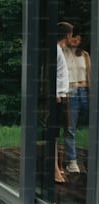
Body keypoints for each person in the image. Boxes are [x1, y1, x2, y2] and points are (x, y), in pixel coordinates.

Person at [62, 32, 90, 173]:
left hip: (84, 91)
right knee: (70, 128)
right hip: (71, 91)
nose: (75, 40)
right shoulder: (63, 53)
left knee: (88, 126)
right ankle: (71, 161)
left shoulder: (84, 55)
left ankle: (88, 160)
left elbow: (89, 73)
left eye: (79, 38)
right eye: (73, 37)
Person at [54, 21, 72, 183]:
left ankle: (58, 167)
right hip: (58, 97)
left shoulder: (59, 50)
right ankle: (54, 170)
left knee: (58, 133)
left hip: (62, 96)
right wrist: (57, 96)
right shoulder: (56, 51)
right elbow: (52, 75)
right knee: (53, 135)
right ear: (68, 35)